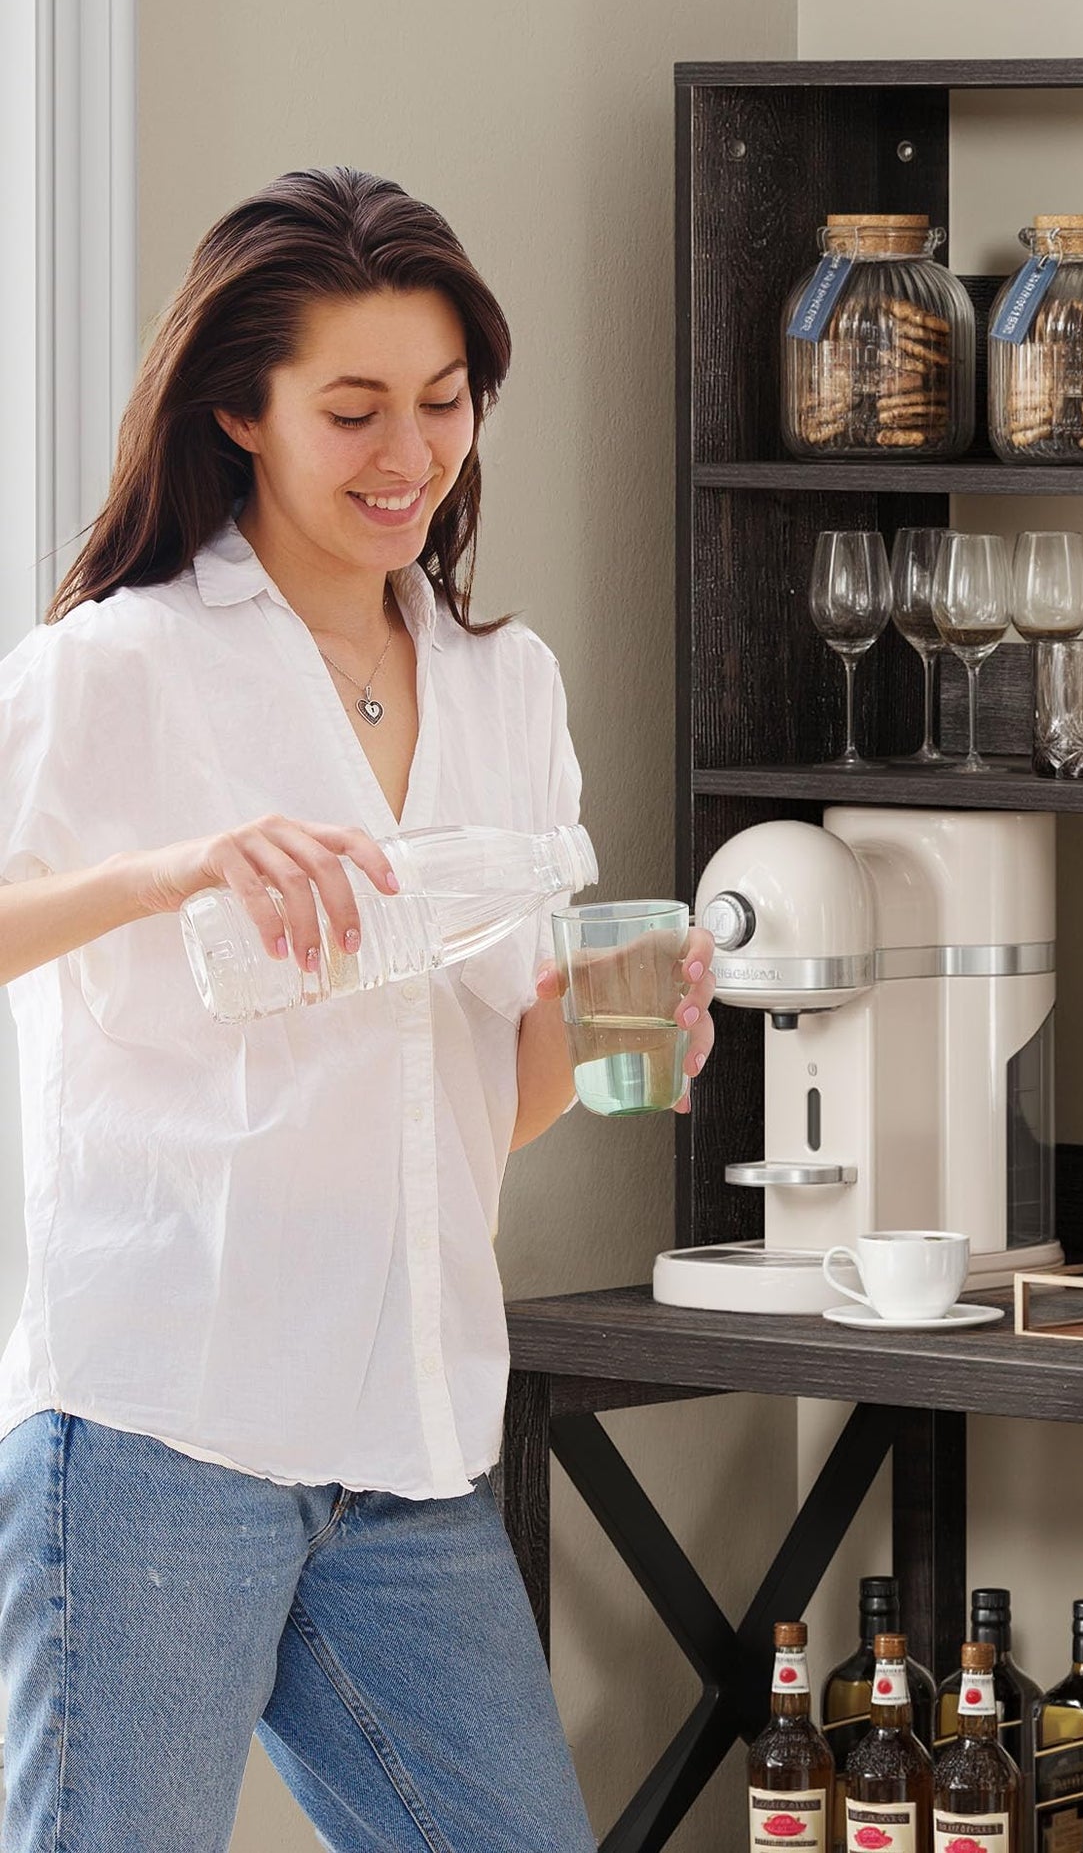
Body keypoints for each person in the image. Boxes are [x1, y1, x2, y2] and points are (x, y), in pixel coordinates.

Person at [0, 167, 716, 1851]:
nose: (411, 454)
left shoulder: (503, 684)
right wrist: (171, 873)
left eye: (445, 401)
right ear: (240, 410)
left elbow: (484, 1096)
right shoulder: (120, 669)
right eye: (354, 409)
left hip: (403, 1443)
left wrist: (629, 1037)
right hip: (157, 1432)